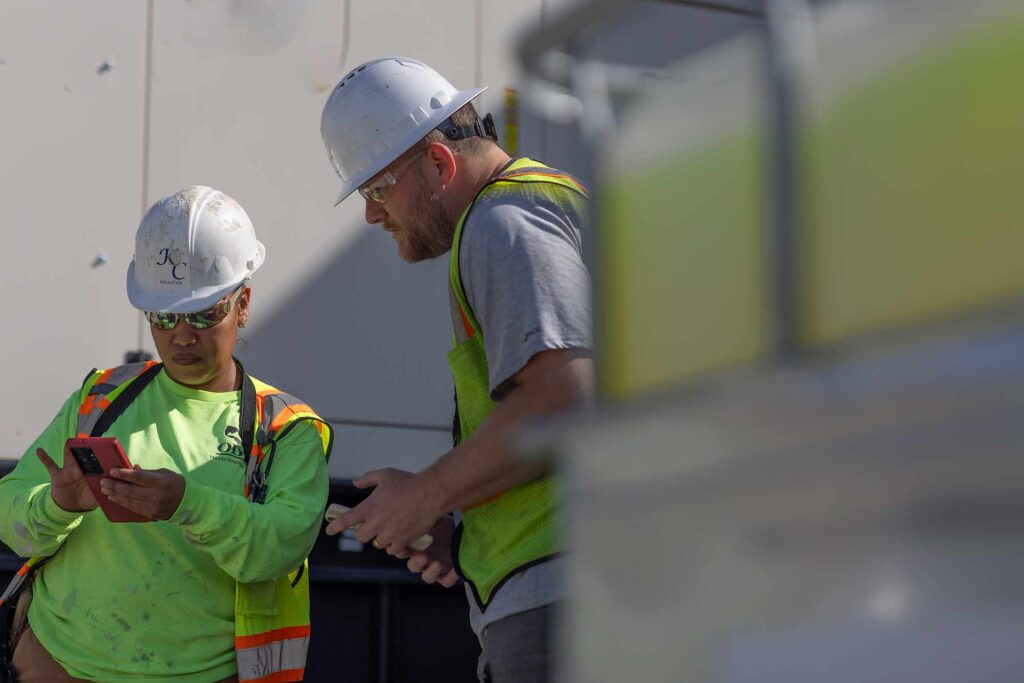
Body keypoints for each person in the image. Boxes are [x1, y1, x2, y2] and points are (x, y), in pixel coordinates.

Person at [320, 57, 592, 682]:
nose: (372, 214)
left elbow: (563, 400)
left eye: (377, 189)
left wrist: (426, 494)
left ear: (440, 164)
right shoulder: (546, 204)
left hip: (560, 594)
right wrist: (462, 530)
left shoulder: (502, 222)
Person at [0, 186, 332, 683]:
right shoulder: (101, 397)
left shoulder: (284, 429)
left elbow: (279, 547)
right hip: (58, 663)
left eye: (203, 314)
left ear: (242, 305)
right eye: (164, 316)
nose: (181, 335)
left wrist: (185, 504)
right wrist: (58, 504)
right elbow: (11, 518)